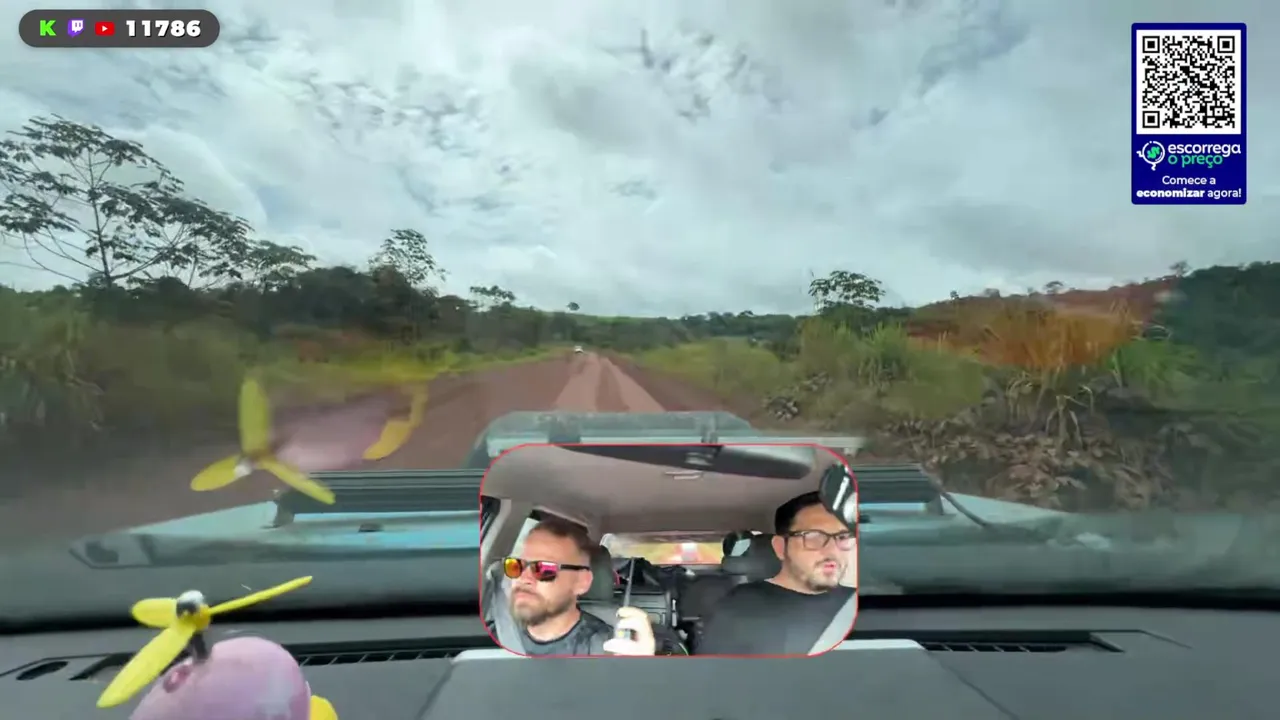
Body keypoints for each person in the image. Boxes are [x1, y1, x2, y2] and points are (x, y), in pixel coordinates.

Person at [694, 491, 856, 655]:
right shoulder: (739, 609)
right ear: (780, 547)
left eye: (843, 537)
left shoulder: (856, 601)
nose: (833, 550)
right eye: (813, 536)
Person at [489, 517, 648, 656]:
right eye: (516, 565)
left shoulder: (609, 649)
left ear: (582, 582)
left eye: (544, 569)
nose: (523, 578)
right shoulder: (496, 632)